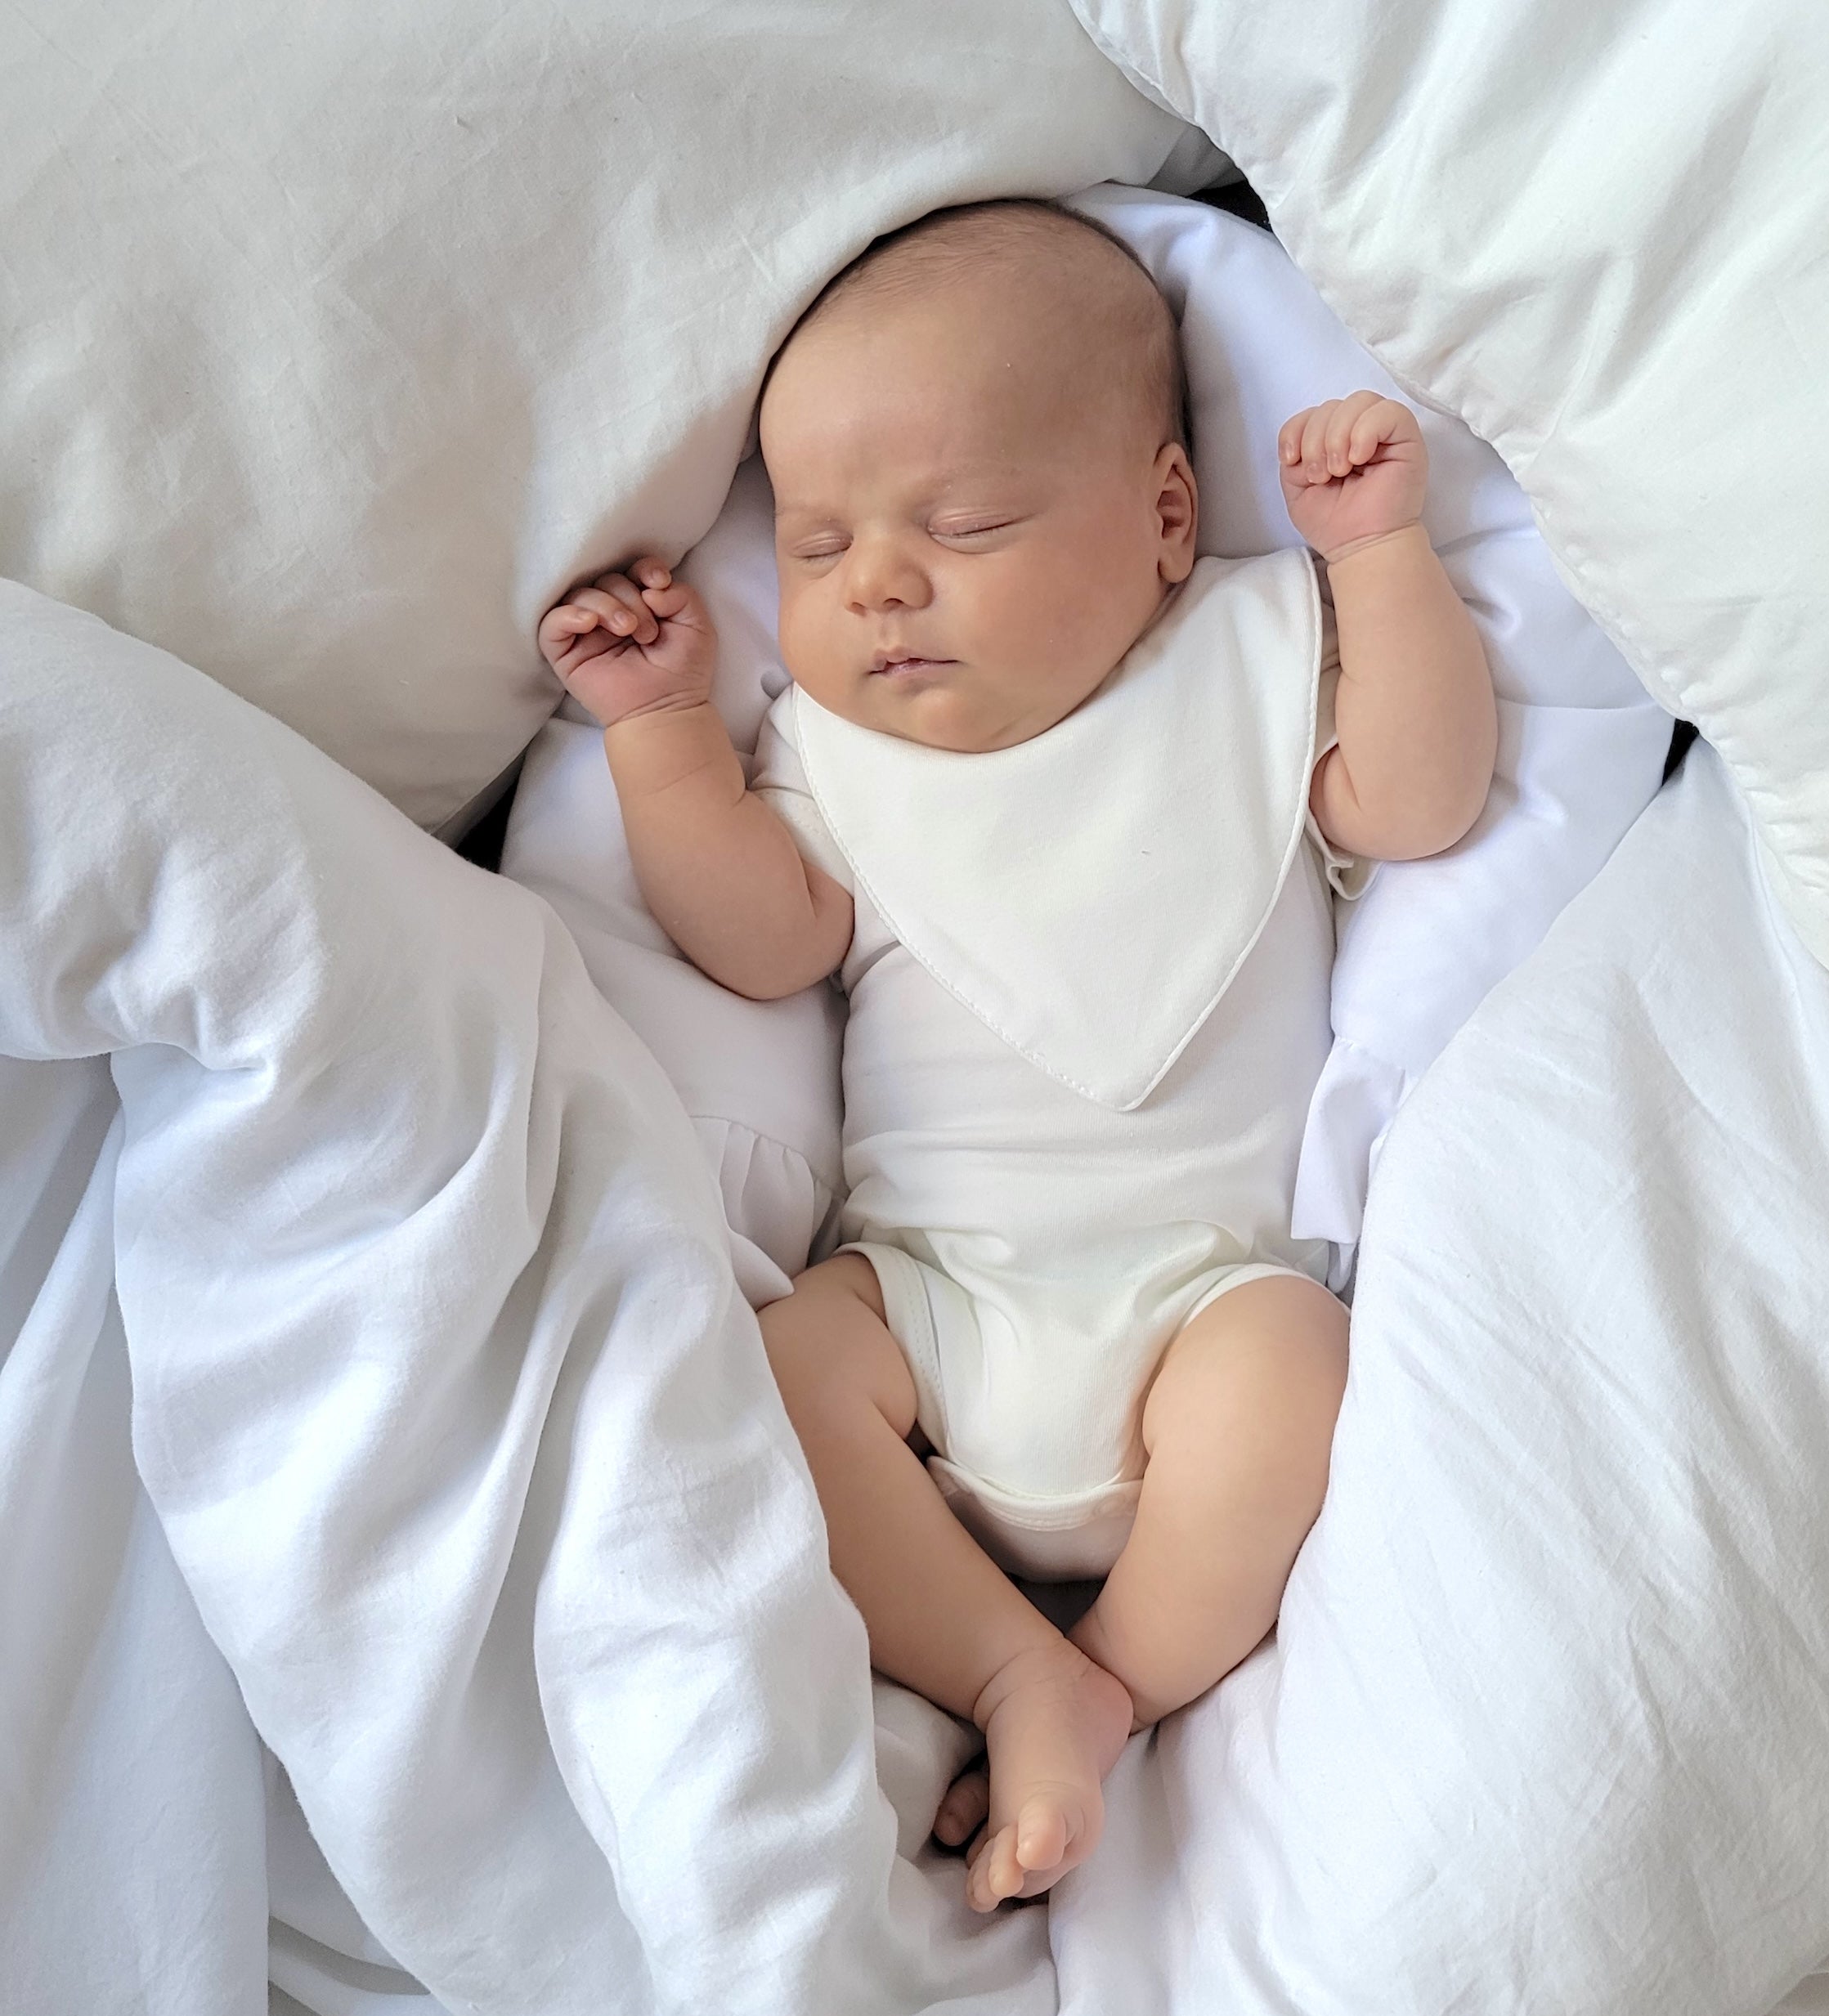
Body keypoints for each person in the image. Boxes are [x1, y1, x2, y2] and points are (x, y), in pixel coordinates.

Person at [538, 199, 1496, 1911]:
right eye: (818, 548)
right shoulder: (833, 757)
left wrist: (1380, 559)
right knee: (772, 1369)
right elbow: (759, 938)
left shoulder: (1248, 664)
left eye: (960, 520)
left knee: (1301, 1369)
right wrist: (665, 734)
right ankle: (1008, 1665)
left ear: (1165, 518)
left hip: (1200, 1303)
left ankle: (1113, 1672)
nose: (879, 581)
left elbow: (1419, 801)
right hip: (916, 1295)